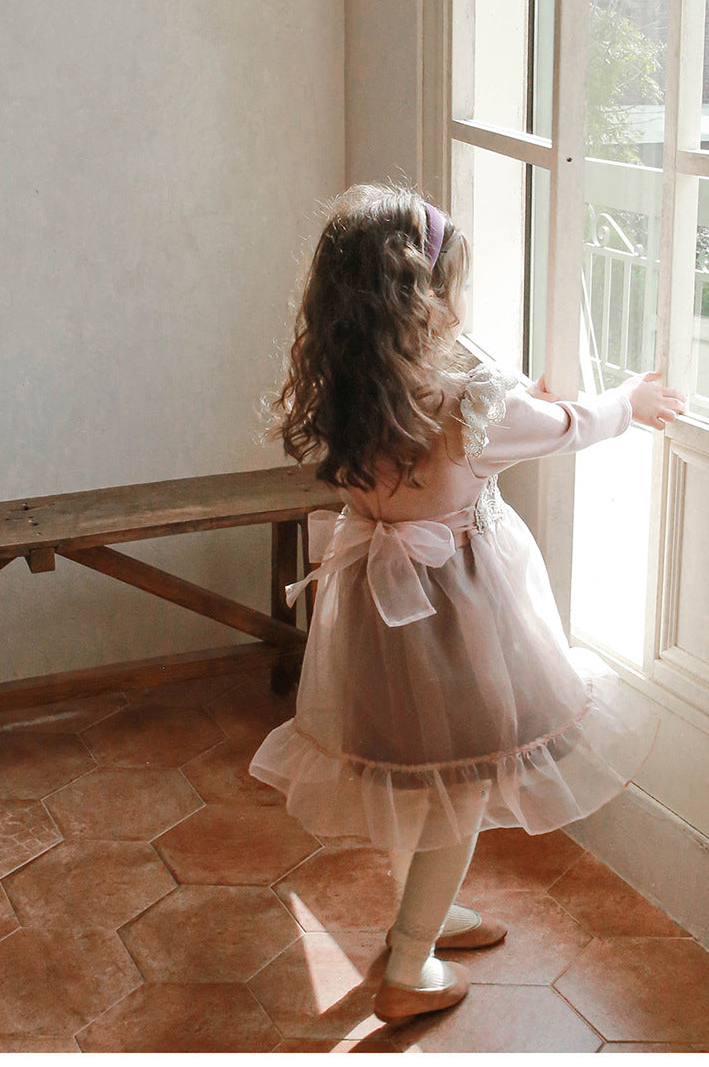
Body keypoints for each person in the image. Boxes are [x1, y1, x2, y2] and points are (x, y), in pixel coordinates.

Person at [249, 183, 685, 1024]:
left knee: (414, 774)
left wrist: (525, 397)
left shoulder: (350, 390)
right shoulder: (465, 408)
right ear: (423, 302)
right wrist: (626, 404)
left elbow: (505, 411)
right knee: (464, 783)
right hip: (459, 621)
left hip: (375, 623)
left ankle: (425, 910)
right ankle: (411, 962)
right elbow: (569, 427)